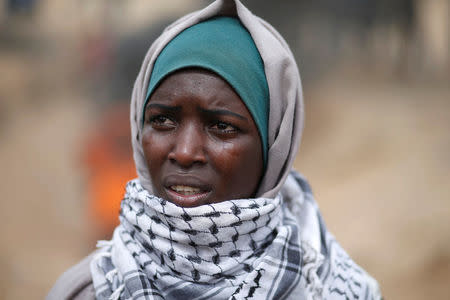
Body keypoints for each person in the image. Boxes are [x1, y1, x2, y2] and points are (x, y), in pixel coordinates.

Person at [48, 0, 381, 299]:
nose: (185, 151)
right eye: (163, 120)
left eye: (222, 126)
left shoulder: (338, 289)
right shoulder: (86, 291)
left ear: (274, 147)